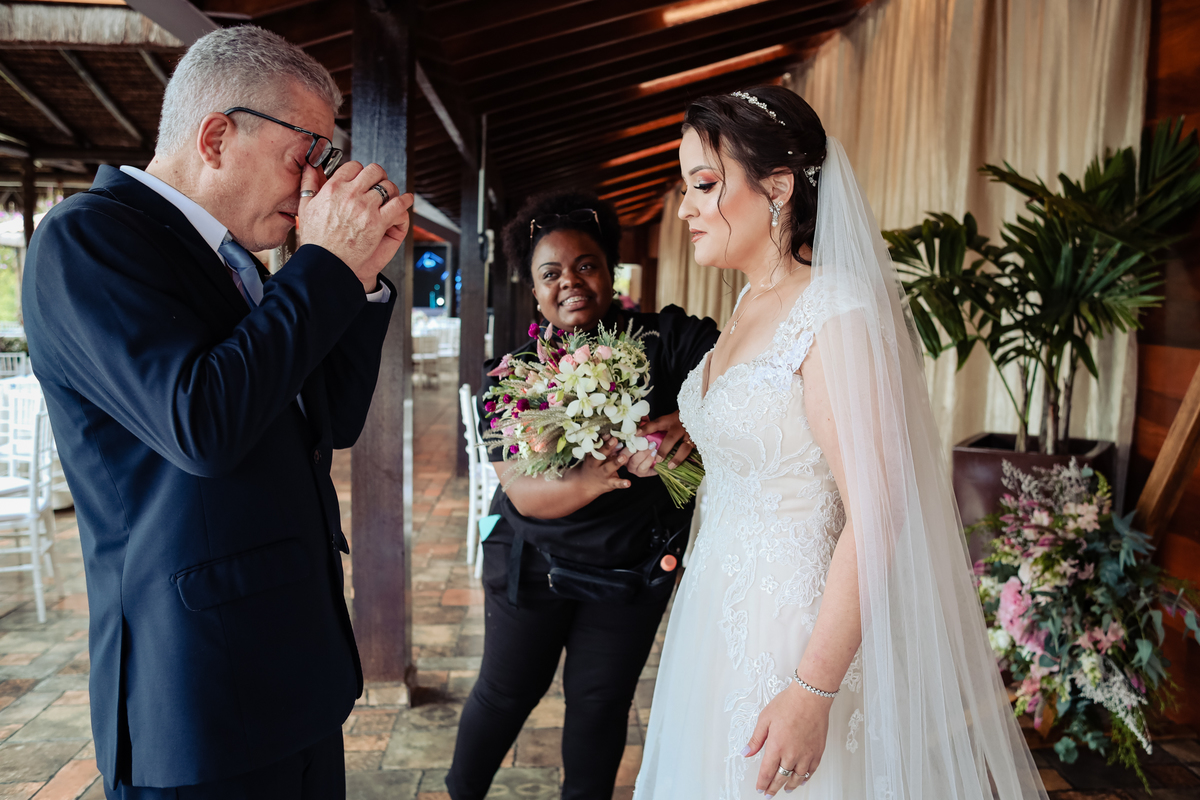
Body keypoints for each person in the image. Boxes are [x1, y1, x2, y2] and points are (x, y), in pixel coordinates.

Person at [21, 26, 413, 799]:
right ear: (216, 135)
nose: (315, 185)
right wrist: (324, 266)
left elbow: (329, 420)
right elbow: (201, 424)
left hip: (296, 669)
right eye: (308, 153)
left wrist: (355, 282)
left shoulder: (236, 262)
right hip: (197, 692)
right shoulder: (86, 239)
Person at [634, 88, 1049, 799]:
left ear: (778, 188)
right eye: (685, 189)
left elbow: (879, 510)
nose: (686, 208)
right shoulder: (745, 303)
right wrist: (681, 443)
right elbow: (780, 451)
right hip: (714, 615)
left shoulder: (833, 311)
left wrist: (812, 689)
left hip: (790, 629)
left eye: (704, 184)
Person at [445, 191, 720, 800]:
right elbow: (520, 493)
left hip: (631, 571)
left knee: (599, 705)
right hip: (531, 567)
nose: (569, 282)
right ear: (535, 290)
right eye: (551, 274)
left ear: (610, 271)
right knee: (506, 691)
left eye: (585, 264)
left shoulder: (666, 339)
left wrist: (697, 418)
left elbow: (743, 367)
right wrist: (595, 477)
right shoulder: (513, 378)